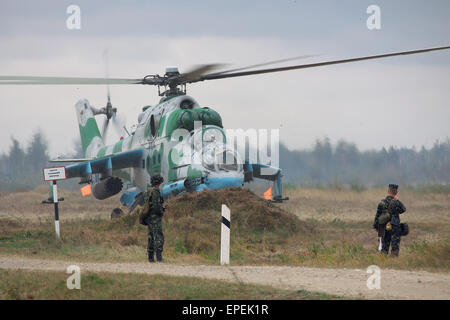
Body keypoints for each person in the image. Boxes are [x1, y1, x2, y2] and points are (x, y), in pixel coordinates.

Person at [373, 184, 406, 256]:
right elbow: (403, 210)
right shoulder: (397, 202)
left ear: (388, 191)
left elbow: (377, 216)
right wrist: (398, 200)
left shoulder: (382, 202)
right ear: (396, 192)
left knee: (384, 246)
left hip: (384, 227)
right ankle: (394, 261)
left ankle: (383, 260)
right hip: (395, 226)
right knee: (395, 246)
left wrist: (376, 227)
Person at [142, 174, 165, 262]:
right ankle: (159, 257)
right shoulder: (155, 191)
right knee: (159, 236)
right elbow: (156, 206)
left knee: (151, 236)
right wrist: (161, 211)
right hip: (155, 217)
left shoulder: (147, 191)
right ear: (158, 182)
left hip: (148, 217)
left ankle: (150, 257)